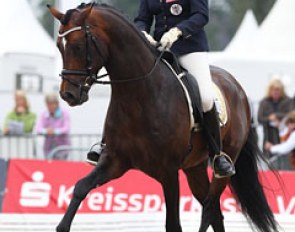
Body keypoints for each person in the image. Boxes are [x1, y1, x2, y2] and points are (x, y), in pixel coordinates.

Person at [132, 0, 234, 178]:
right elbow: (142, 18)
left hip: (190, 48)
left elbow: (201, 15)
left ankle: (217, 154)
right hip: (159, 49)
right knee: (131, 85)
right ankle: (108, 146)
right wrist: (142, 32)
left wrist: (178, 31)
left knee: (205, 98)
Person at [258, 79, 293, 156]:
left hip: (286, 137)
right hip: (269, 136)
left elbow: (291, 115)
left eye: (278, 90)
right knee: (270, 161)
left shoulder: (288, 101)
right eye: (274, 90)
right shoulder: (264, 102)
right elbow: (260, 119)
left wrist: (277, 117)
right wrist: (269, 119)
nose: (276, 92)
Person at [35, 93, 71, 159]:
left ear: (57, 103)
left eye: (52, 104)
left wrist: (54, 131)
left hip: (62, 148)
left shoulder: (64, 113)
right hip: (48, 148)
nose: (50, 106)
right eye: (48, 104)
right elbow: (38, 129)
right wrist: (46, 131)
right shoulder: (44, 114)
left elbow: (66, 129)